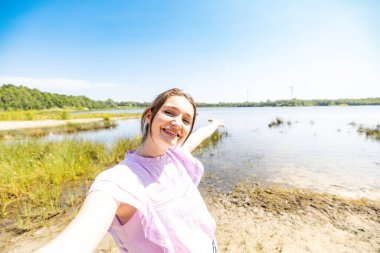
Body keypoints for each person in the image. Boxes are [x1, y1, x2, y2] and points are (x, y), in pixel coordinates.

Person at [37, 88, 223, 253]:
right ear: (149, 116)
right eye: (169, 112)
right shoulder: (119, 180)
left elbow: (199, 135)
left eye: (186, 120)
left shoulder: (175, 155)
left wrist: (214, 124)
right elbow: (75, 241)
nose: (177, 123)